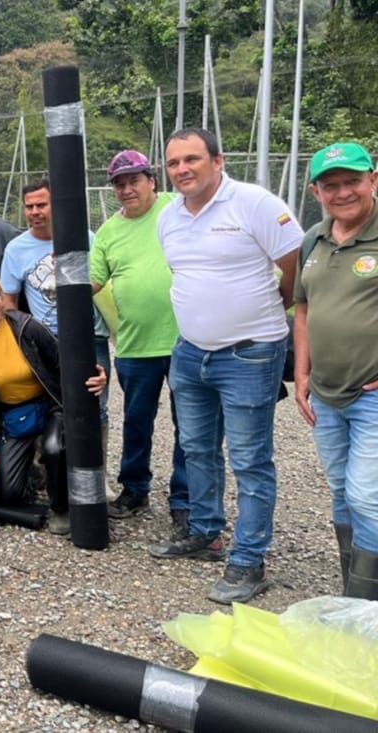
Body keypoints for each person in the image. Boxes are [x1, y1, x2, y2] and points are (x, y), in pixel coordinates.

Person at [149, 128, 303, 605]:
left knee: (250, 459)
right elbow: (186, 273)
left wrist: (277, 301)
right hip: (191, 350)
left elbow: (294, 263)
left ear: (218, 160)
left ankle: (249, 559)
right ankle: (206, 532)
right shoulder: (169, 217)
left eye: (192, 159)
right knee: (196, 447)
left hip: (250, 351)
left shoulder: (254, 203)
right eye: (174, 163)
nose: (182, 170)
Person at [0, 275, 107, 535]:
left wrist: (97, 376)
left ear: (2, 298)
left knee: (54, 448)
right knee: (8, 494)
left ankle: (61, 508)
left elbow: (64, 361)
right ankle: (33, 475)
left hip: (49, 404)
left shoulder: (26, 327)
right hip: (13, 415)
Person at [294, 141, 378, 599]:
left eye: (352, 181)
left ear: (373, 180)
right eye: (331, 185)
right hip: (326, 394)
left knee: (368, 496)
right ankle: (355, 591)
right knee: (343, 492)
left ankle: (366, 604)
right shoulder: (314, 239)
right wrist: (302, 375)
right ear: (316, 191)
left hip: (372, 395)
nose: (343, 192)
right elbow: (304, 310)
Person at [90, 150, 188, 531]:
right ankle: (134, 488)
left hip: (186, 341)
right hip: (134, 344)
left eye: (134, 180)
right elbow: (93, 283)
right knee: (136, 422)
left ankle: (185, 499)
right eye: (119, 183)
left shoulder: (177, 207)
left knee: (191, 428)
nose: (127, 189)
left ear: (152, 180)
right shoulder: (108, 233)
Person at [0, 179, 112, 433]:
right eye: (29, 206)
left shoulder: (85, 238)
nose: (35, 212)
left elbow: (102, 280)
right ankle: (55, 469)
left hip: (89, 336)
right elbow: (9, 302)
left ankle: (95, 470)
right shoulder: (16, 249)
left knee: (95, 404)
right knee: (49, 405)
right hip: (46, 338)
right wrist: (19, 340)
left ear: (56, 205)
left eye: (41, 204)